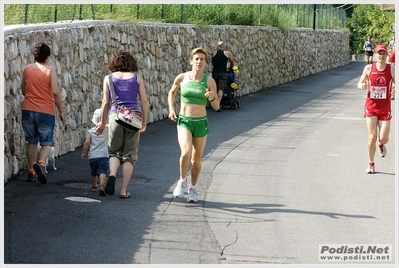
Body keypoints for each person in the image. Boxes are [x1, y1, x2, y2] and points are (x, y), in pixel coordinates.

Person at [168, 47, 220, 202]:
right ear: (191, 61)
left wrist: (212, 98)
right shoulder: (182, 78)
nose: (199, 62)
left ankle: (193, 188)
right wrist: (171, 109)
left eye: (202, 59)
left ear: (205, 63)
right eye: (196, 59)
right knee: (185, 153)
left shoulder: (209, 81)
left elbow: (217, 106)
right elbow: (172, 92)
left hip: (201, 123)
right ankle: (182, 181)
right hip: (184, 120)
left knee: (196, 161)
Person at [95, 51, 149, 199]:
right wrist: (144, 120)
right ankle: (123, 190)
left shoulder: (109, 78)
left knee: (114, 151)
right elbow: (144, 100)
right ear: (131, 63)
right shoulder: (137, 78)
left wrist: (102, 122)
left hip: (115, 117)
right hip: (133, 118)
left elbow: (106, 102)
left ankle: (112, 174)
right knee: (129, 155)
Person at [21, 42, 67, 184]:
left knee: (32, 141)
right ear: (48, 57)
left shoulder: (27, 69)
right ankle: (41, 163)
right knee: (46, 142)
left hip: (28, 109)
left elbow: (23, 90)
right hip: (45, 111)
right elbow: (55, 91)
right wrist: (61, 112)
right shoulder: (50, 70)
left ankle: (31, 171)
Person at [357, 44, 395, 174]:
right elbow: (360, 81)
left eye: (384, 53)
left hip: (385, 108)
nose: (381, 56)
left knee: (383, 138)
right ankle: (371, 163)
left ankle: (381, 144)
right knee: (372, 136)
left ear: (387, 55)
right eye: (379, 53)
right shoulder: (369, 68)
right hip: (371, 107)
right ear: (375, 54)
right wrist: (361, 84)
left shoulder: (392, 69)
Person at [81, 109, 109, 196]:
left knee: (93, 172)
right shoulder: (107, 130)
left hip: (93, 156)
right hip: (104, 155)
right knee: (102, 171)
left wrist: (84, 153)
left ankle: (94, 186)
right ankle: (102, 186)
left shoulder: (91, 131)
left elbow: (86, 143)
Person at [211, 41, 234, 111]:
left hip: (215, 72)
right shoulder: (227, 53)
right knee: (221, 89)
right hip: (223, 73)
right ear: (224, 46)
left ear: (218, 47)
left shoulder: (213, 53)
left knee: (215, 88)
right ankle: (217, 106)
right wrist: (230, 68)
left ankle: (214, 104)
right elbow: (232, 62)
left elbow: (212, 62)